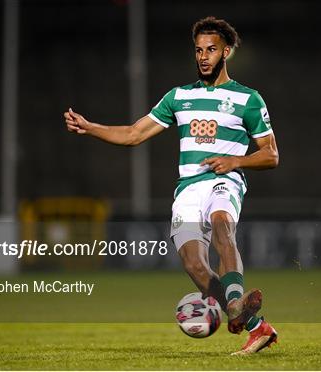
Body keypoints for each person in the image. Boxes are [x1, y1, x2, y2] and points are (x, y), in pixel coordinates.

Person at [64, 16, 279, 355]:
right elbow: (135, 134)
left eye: (210, 50)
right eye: (198, 50)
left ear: (225, 52)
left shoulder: (248, 99)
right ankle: (254, 325)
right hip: (188, 189)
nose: (203, 56)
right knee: (193, 263)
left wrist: (236, 161)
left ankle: (234, 300)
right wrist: (90, 127)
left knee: (223, 223)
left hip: (224, 180)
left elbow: (271, 154)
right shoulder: (178, 97)